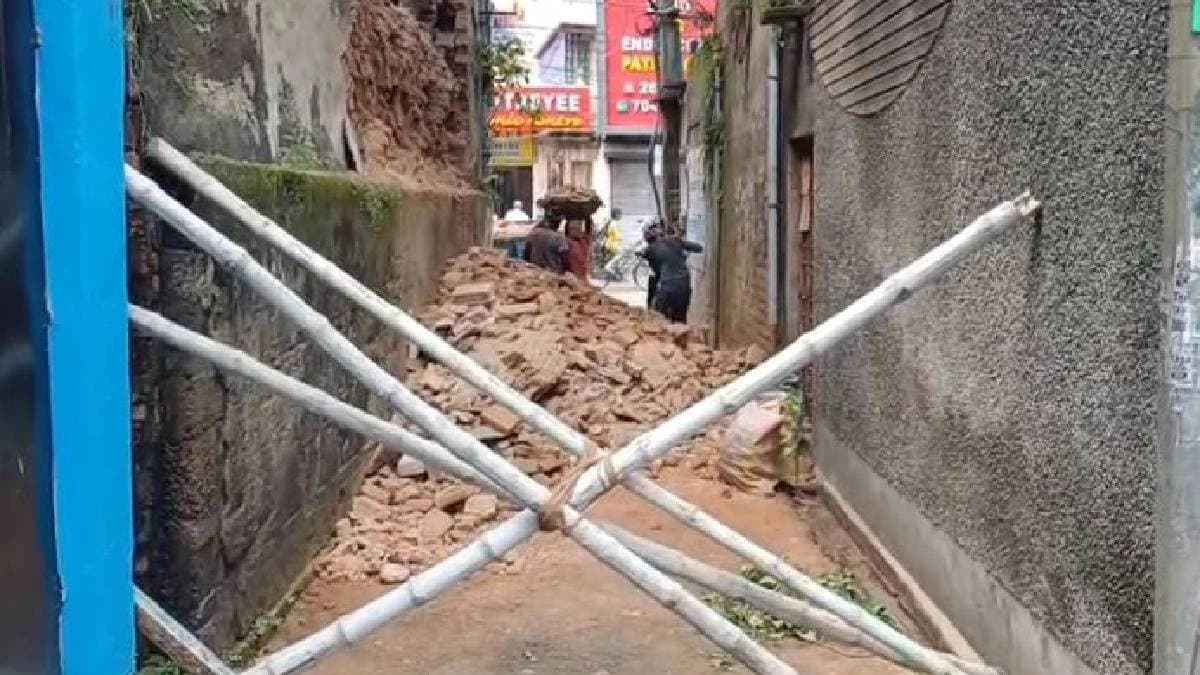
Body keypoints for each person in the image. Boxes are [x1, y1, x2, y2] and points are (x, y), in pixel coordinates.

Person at [641, 227, 702, 323]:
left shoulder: (650, 250)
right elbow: (698, 248)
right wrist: (680, 245)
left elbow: (656, 274)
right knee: (680, 319)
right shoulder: (674, 241)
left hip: (666, 287)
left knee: (660, 320)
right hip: (683, 285)